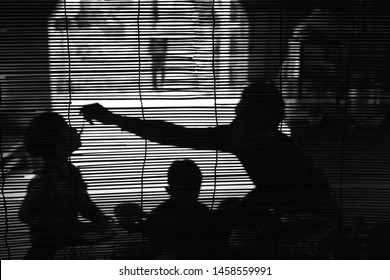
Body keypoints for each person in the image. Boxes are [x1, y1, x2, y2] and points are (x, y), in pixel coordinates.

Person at [81, 82, 339, 242]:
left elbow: (256, 205)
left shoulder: (288, 160)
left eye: (244, 119)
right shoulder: (239, 137)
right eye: (236, 116)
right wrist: (113, 119)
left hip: (314, 225)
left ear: (268, 128)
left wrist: (171, 226)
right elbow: (177, 134)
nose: (235, 125)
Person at [19, 112, 112, 259]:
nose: (75, 129)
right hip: (52, 249)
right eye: (68, 128)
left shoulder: (71, 171)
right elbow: (26, 214)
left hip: (70, 240)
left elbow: (84, 203)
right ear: (58, 143)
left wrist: (101, 220)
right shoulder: (47, 178)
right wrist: (85, 228)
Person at [143, 159, 212, 259]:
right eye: (183, 192)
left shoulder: (159, 216)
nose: (189, 198)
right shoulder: (203, 213)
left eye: (193, 191)